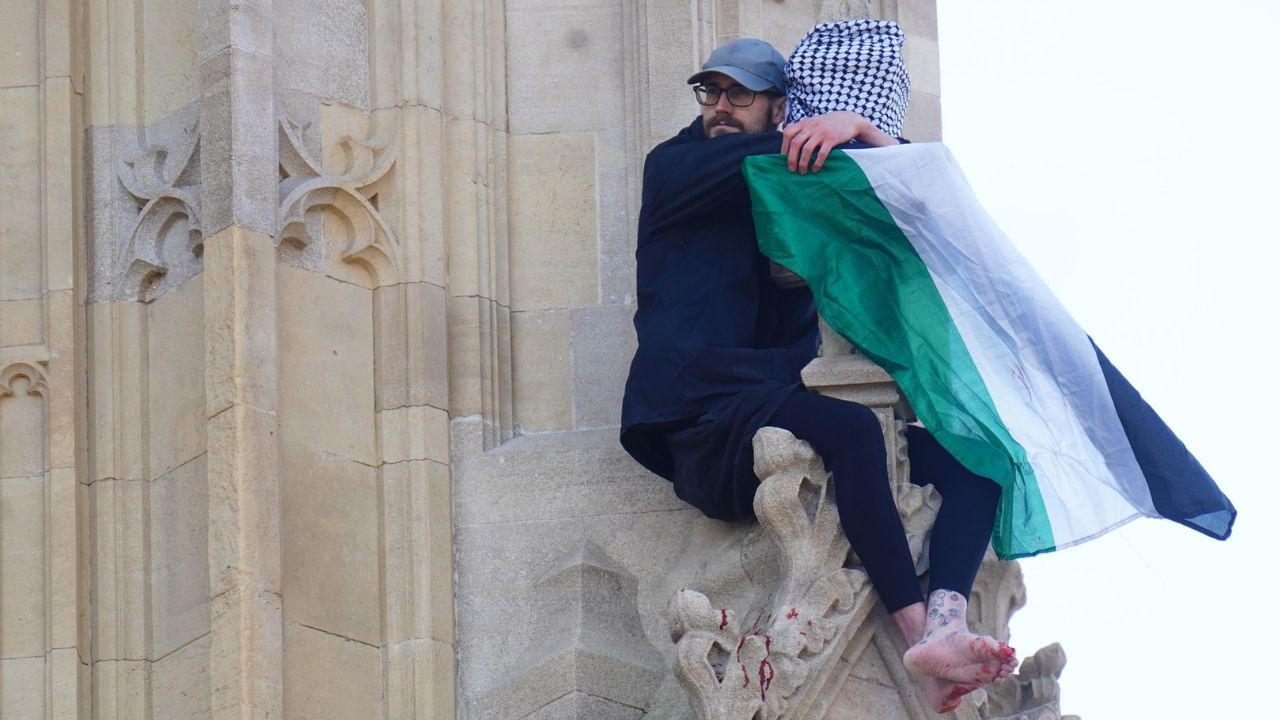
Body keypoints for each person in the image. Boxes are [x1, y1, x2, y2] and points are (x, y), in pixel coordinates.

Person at [619, 28, 1017, 714]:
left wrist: (855, 125)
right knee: (854, 433)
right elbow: (799, 159)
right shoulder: (679, 166)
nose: (719, 106)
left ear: (777, 105)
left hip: (770, 396)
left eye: (739, 95)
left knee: (979, 463)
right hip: (700, 412)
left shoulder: (791, 195)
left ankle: (949, 616)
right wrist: (842, 130)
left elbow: (918, 203)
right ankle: (917, 635)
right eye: (710, 91)